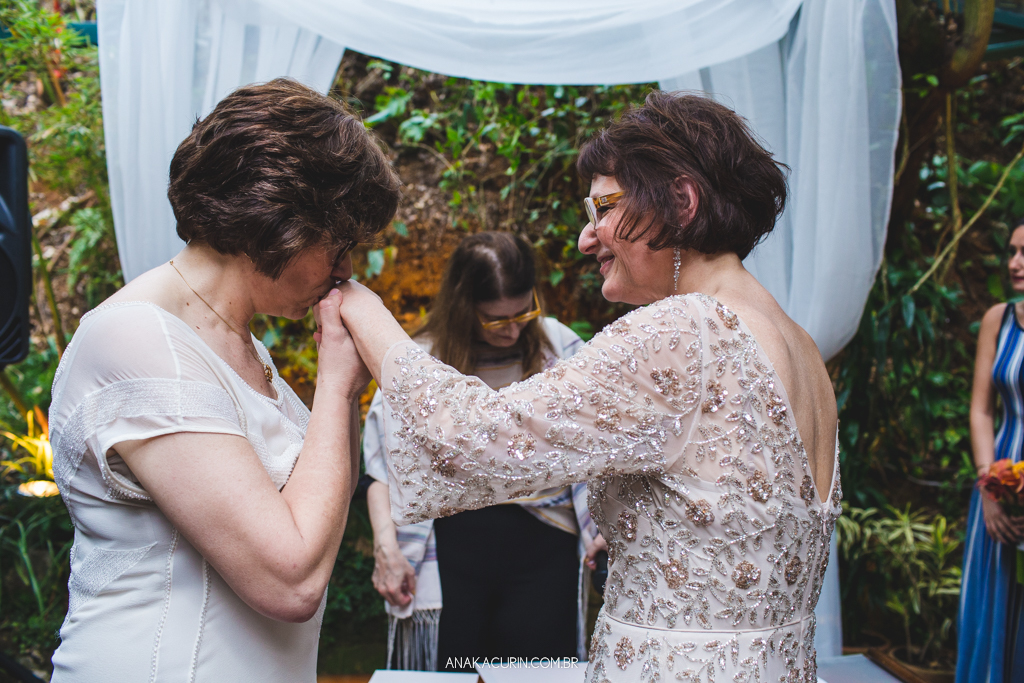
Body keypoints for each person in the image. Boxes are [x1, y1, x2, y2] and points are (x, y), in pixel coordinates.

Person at [333, 91, 840, 682]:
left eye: (603, 208)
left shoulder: (686, 332)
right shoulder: (798, 343)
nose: (586, 237)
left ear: (681, 200)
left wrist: (360, 304)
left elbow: (477, 437)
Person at [47, 79, 401, 682]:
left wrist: (341, 382)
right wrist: (338, 384)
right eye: (339, 244)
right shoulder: (137, 339)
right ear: (276, 221)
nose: (346, 270)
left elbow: (316, 508)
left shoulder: (241, 345)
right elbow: (290, 579)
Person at [363, 232, 603, 671]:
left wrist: (601, 526)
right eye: (496, 320)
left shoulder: (559, 348)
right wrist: (387, 548)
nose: (513, 329)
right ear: (463, 307)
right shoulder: (422, 364)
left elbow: (595, 450)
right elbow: (383, 470)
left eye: (523, 312)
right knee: (452, 672)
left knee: (537, 675)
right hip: (452, 549)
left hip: (545, 549)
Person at [960, 221, 1024, 682]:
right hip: (1000, 479)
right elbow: (981, 410)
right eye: (1012, 251)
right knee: (996, 602)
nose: (1014, 263)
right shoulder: (998, 320)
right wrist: (989, 484)